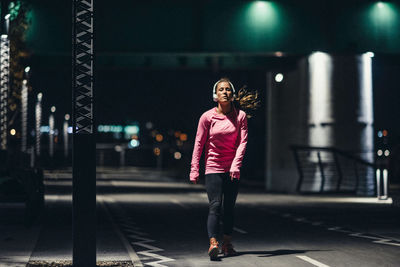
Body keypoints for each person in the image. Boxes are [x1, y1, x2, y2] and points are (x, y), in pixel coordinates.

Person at [189, 77, 259, 260]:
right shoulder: (207, 117)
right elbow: (199, 143)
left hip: (232, 169)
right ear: (215, 95)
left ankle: (227, 243)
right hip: (212, 167)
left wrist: (236, 165)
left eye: (228, 89)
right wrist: (194, 168)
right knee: (215, 206)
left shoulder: (240, 116)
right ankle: (213, 243)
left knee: (229, 208)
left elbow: (242, 143)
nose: (225, 92)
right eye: (221, 89)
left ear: (232, 94)